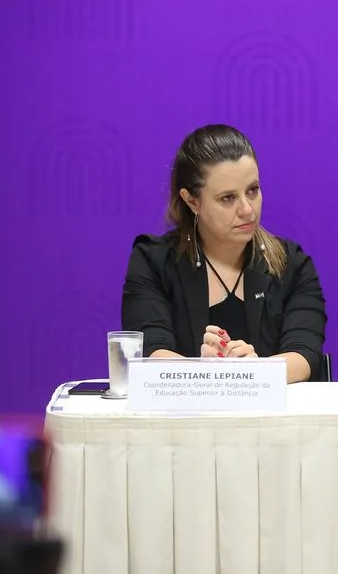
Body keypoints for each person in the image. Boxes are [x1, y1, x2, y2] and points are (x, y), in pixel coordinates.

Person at [121, 125, 326, 383]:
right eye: (228, 198)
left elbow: (305, 356)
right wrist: (215, 376)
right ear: (192, 201)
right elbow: (150, 353)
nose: (247, 209)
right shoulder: (152, 261)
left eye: (253, 190)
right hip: (184, 420)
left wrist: (254, 370)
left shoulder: (292, 264)